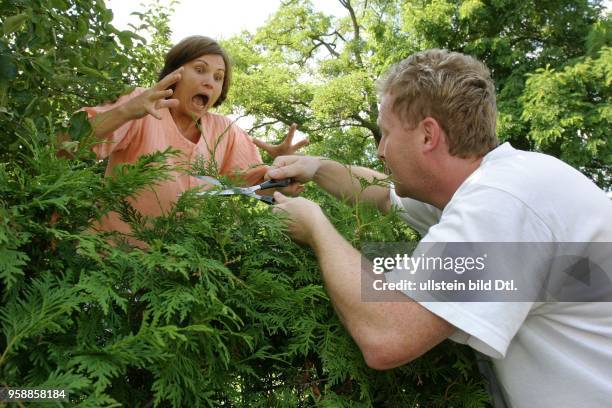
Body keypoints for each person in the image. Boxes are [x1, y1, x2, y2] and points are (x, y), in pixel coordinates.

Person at [266, 49, 612, 407]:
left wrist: (317, 228)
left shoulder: (499, 203)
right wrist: (317, 167)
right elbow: (383, 195)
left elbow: (389, 335)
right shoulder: (503, 181)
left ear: (428, 135)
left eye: (386, 134)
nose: (381, 151)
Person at [81, 36, 306, 241]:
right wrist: (125, 111)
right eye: (200, 70)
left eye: (218, 78)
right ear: (174, 74)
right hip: (109, 258)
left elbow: (251, 186)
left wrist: (283, 174)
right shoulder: (142, 104)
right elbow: (70, 145)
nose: (210, 82)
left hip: (178, 268)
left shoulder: (224, 130)